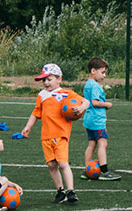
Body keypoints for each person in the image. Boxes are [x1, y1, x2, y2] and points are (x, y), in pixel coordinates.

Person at [22, 63, 89, 203]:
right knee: (52, 165)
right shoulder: (42, 95)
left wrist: (80, 108)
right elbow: (36, 113)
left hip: (61, 135)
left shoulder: (66, 93)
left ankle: (71, 191)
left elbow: (86, 101)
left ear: (59, 79)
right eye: (44, 80)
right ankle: (60, 191)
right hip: (46, 136)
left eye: (49, 79)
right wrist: (28, 127)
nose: (46, 82)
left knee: (63, 164)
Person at [81, 57, 121, 181]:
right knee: (103, 143)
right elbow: (95, 102)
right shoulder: (95, 86)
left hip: (88, 119)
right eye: (102, 72)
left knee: (91, 144)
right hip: (97, 120)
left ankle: (87, 169)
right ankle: (104, 171)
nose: (104, 76)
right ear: (93, 70)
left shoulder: (88, 84)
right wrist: (107, 104)